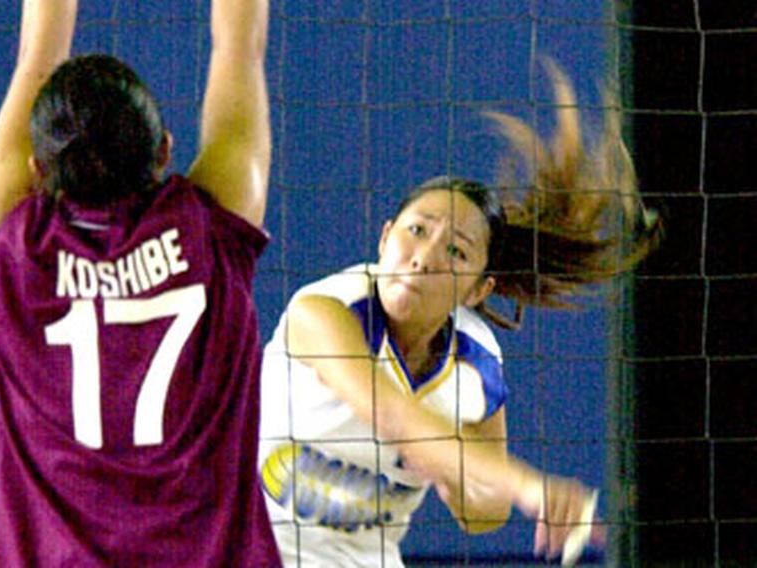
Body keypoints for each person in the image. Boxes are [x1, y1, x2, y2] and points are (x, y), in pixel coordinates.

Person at [258, 60, 661, 567]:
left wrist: (458, 476)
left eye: (457, 252)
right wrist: (528, 484)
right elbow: (394, 415)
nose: (425, 257)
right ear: (385, 238)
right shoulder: (321, 313)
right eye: (418, 230)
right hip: (241, 546)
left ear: (478, 289)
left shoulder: (475, 366)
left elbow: (481, 515)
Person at [0, 0, 279, 565]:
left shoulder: (16, 250)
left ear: (39, 170)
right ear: (164, 149)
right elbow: (242, 47)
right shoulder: (212, 234)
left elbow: (35, 58)